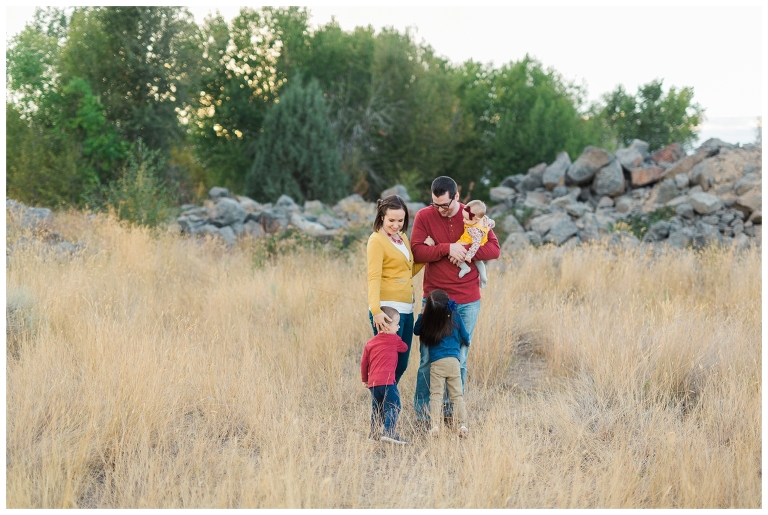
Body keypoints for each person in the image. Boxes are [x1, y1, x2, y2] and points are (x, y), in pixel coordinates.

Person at [410, 176, 500, 428]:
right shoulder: (425, 216)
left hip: (467, 300)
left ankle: (451, 412)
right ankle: (424, 414)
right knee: (428, 358)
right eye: (435, 204)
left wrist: (466, 251)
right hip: (436, 301)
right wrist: (447, 248)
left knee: (459, 358)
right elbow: (417, 251)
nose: (440, 210)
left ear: (457, 197)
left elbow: (494, 249)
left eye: (445, 205)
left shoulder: (473, 213)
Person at [367, 195, 424, 384]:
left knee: (402, 363)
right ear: (382, 216)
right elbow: (373, 277)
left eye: (400, 220)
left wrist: (426, 254)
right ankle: (383, 409)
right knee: (387, 365)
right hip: (388, 310)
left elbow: (409, 271)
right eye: (391, 220)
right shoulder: (376, 241)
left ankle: (386, 399)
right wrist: (376, 310)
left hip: (407, 309)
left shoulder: (402, 238)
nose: (396, 225)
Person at [414, 289, 470, 438]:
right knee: (457, 396)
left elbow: (416, 330)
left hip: (437, 364)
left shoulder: (428, 321)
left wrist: (421, 314)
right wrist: (466, 342)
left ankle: (434, 425)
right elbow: (465, 336)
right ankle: (462, 425)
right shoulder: (456, 317)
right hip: (453, 362)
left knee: (436, 395)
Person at [361, 306, 408, 445]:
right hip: (388, 382)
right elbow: (405, 348)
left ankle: (374, 435)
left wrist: (365, 380)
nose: (398, 327)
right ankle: (389, 432)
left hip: (374, 384)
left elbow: (364, 364)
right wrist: (397, 338)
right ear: (387, 325)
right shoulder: (394, 340)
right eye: (396, 324)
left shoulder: (370, 343)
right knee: (394, 406)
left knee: (377, 409)